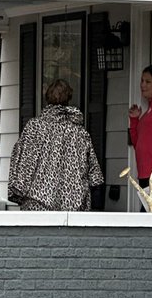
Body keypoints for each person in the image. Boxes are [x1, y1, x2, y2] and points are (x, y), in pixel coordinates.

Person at [8, 79, 103, 211]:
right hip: (71, 208)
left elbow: (23, 164)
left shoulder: (34, 128)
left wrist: (17, 193)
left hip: (37, 205)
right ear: (68, 99)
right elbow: (94, 174)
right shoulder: (79, 132)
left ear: (47, 98)